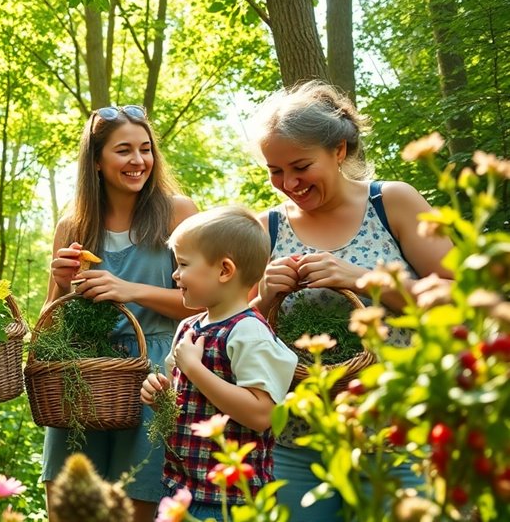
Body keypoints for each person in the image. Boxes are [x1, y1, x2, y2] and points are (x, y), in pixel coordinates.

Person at [248, 81, 453, 519]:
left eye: (301, 166)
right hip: (297, 442)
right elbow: (232, 329)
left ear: (339, 150)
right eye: (275, 170)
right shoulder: (265, 227)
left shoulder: (391, 203)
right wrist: (263, 296)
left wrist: (366, 280)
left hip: (396, 431)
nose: (289, 183)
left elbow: (464, 298)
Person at [42, 105, 198, 522]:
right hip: (83, 375)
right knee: (69, 504)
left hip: (155, 373)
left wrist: (131, 291)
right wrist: (59, 283)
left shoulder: (177, 214)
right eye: (124, 150)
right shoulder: (73, 226)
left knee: (137, 501)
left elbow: (206, 304)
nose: (138, 161)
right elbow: (48, 327)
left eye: (145, 149)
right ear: (96, 160)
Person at [140, 206, 298, 520]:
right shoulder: (189, 328)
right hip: (181, 489)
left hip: (231, 502)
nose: (175, 274)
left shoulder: (249, 332)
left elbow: (261, 414)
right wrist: (162, 398)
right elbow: (184, 402)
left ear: (225, 270)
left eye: (183, 264)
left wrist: (196, 370)